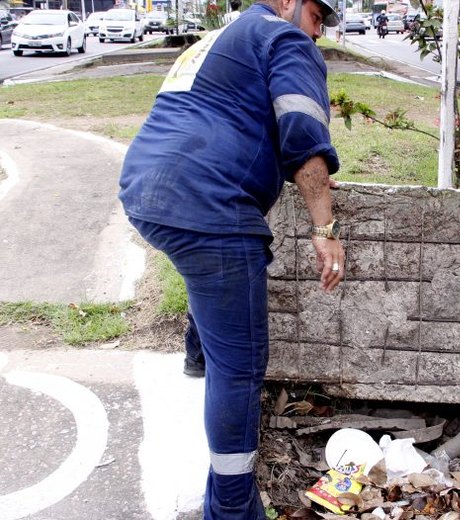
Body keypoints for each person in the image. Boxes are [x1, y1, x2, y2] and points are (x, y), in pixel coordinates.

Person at [118, 0, 344, 516]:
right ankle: (232, 507)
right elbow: (303, 132)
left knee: (207, 278)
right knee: (240, 369)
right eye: (315, 14)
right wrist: (324, 229)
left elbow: (226, 114)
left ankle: (199, 349)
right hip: (209, 209)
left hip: (146, 191)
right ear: (288, 3)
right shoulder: (285, 38)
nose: (318, 30)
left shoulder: (215, 38)